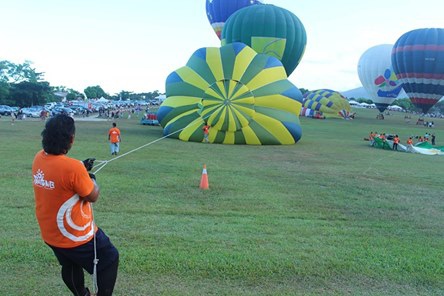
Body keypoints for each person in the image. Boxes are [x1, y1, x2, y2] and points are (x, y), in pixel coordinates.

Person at [32, 114, 119, 296]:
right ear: (71, 139)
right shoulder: (73, 168)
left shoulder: (39, 158)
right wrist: (92, 180)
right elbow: (92, 195)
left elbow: (60, 172)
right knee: (110, 258)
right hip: (75, 236)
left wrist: (81, 167)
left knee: (69, 263)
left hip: (51, 233)